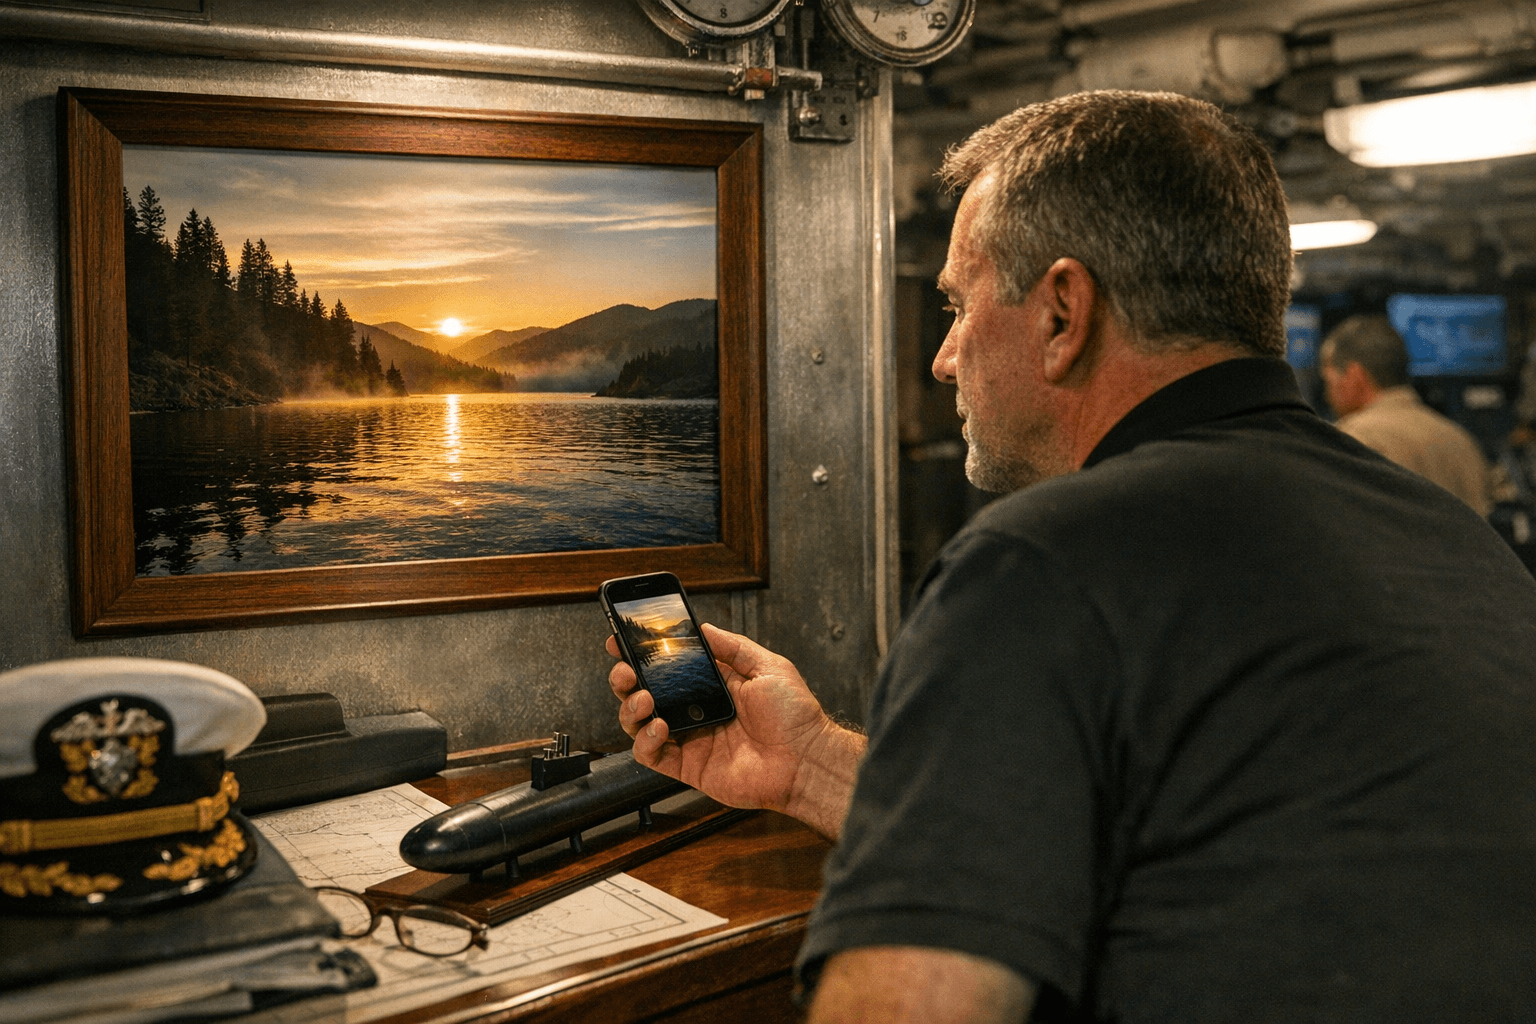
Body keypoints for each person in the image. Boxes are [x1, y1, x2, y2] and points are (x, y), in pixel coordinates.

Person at [608, 90, 1536, 1023]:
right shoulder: (1460, 546)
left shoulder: (1040, 567)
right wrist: (810, 765)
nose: (942, 359)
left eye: (958, 306)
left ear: (1061, 313)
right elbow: (1207, 852)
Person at [1320, 313, 1493, 514]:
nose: (1327, 395)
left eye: (1329, 382)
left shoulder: (1352, 439)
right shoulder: (1461, 441)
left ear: (1354, 376)